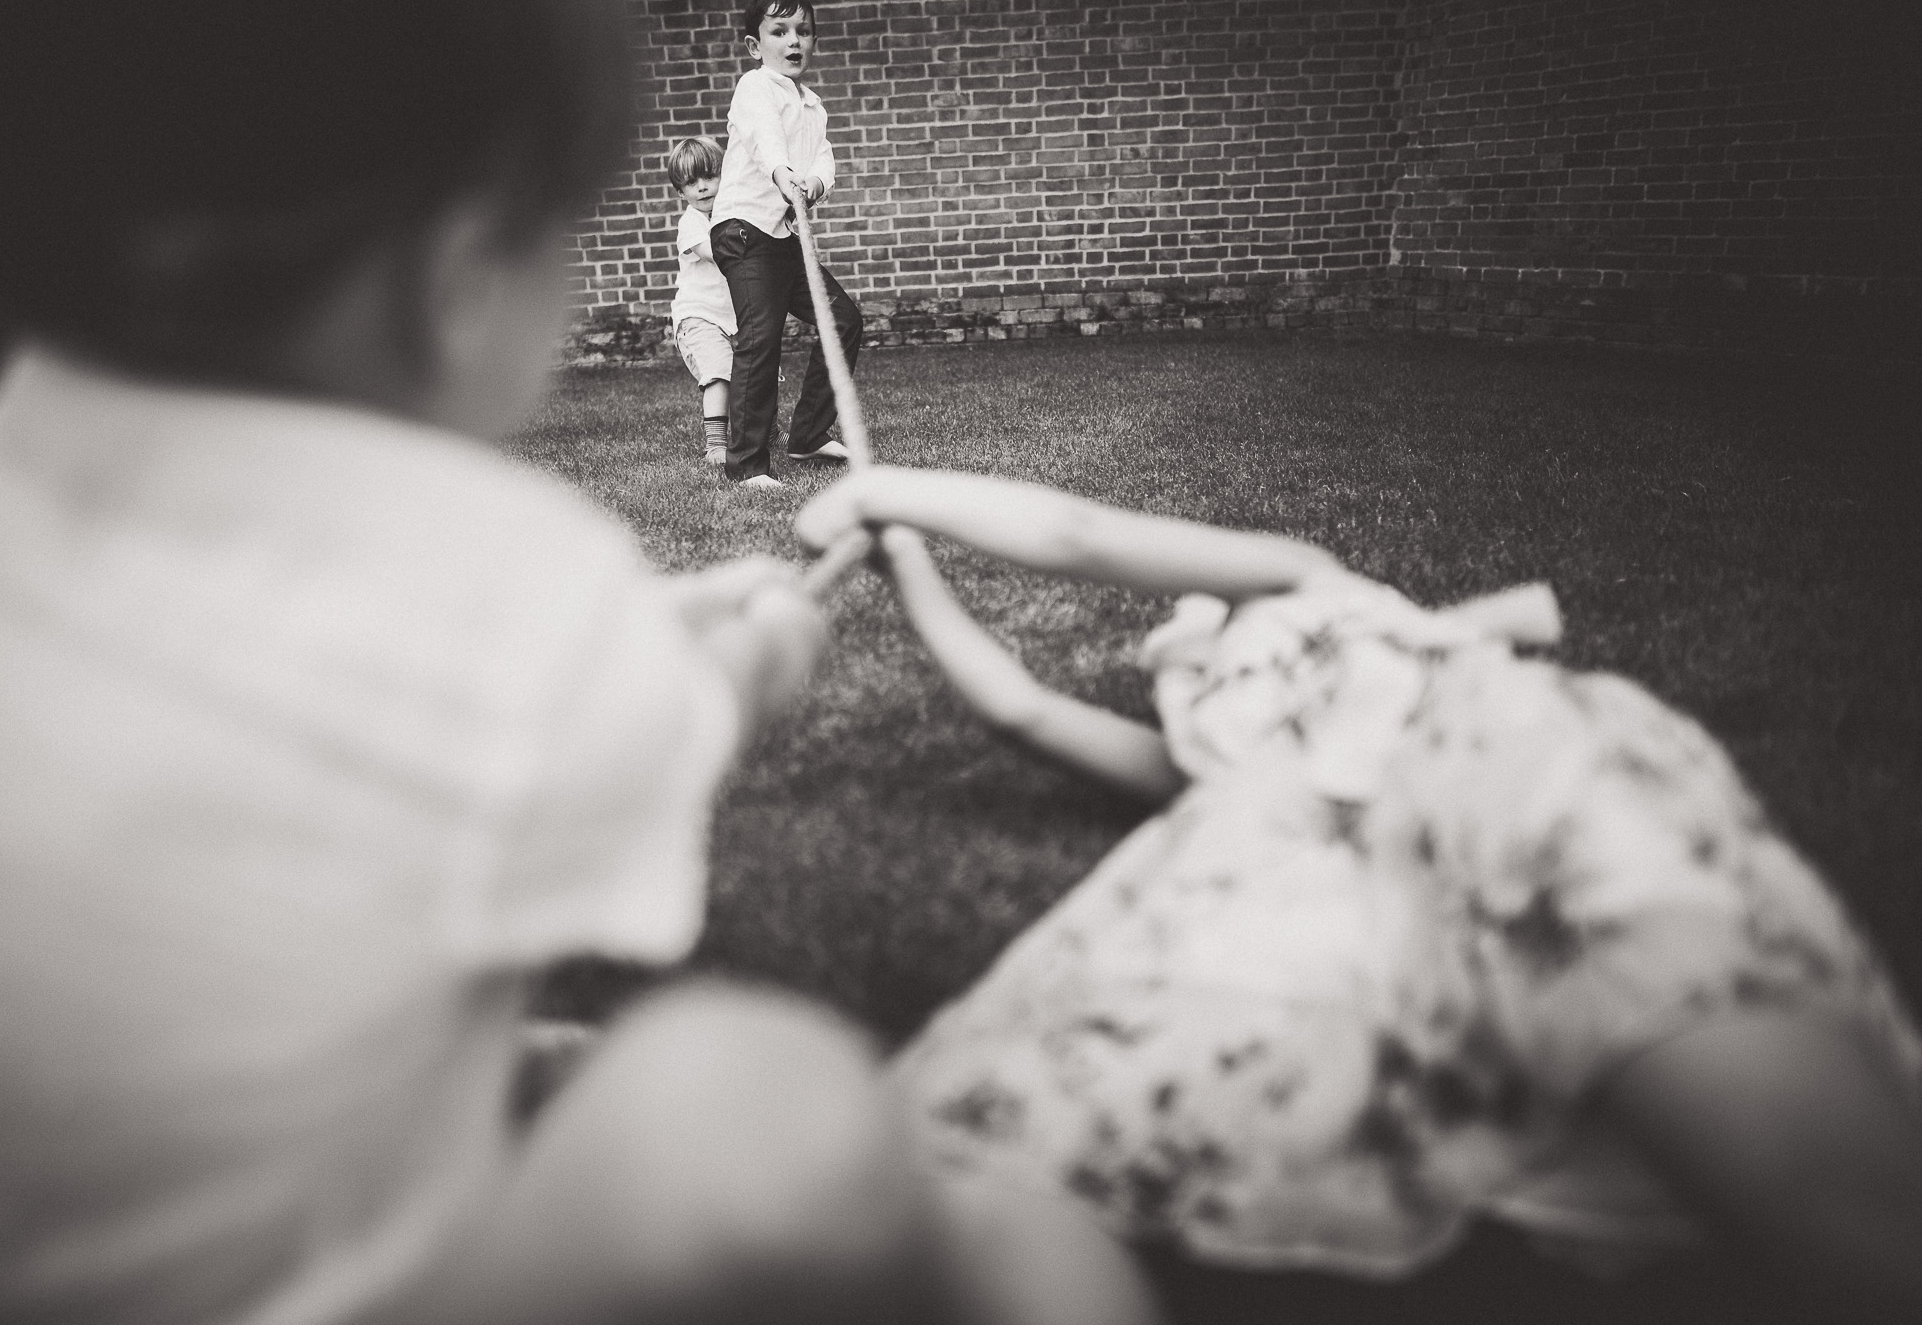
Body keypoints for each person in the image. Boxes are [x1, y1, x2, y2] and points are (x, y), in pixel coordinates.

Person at [0, 0, 1155, 1325]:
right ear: (457, 285)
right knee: (780, 1113)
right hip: (330, 1284)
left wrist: (645, 631)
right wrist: (764, 647)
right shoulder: (514, 584)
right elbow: (685, 716)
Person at [797, 467, 1922, 1320]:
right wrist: (910, 567)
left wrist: (894, 487)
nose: (1171, 625)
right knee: (1019, 1114)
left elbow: (1078, 535)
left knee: (1658, 977)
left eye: (1189, 611)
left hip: (1474, 755)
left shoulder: (1312, 587)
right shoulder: (1212, 774)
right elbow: (1018, 712)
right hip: (1304, 858)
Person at [709, 0, 863, 489]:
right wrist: (781, 173)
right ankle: (747, 465)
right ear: (756, 46)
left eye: (803, 31)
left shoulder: (813, 106)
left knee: (843, 320)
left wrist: (813, 183)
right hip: (744, 231)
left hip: (782, 237)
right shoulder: (755, 88)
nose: (793, 41)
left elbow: (824, 159)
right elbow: (763, 138)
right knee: (761, 339)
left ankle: (808, 435)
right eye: (780, 32)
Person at [665, 136, 737, 466]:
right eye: (692, 183)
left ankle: (767, 431)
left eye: (710, 177)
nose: (703, 188)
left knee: (758, 374)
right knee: (719, 373)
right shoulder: (691, 224)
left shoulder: (730, 212)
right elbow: (717, 254)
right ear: (681, 192)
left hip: (733, 317)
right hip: (699, 316)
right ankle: (716, 444)